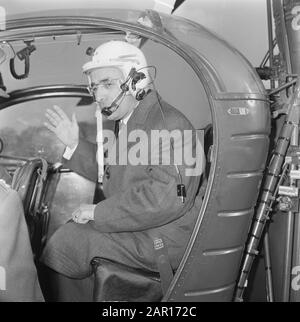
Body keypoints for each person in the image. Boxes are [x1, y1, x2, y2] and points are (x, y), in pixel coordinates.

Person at [41, 40, 205, 301]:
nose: (98, 96)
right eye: (94, 87)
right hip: (144, 226)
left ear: (136, 81)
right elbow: (111, 170)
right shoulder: (131, 121)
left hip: (164, 237)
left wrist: (98, 211)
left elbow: (168, 198)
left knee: (70, 241)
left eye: (107, 83)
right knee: (71, 232)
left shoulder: (169, 124)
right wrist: (73, 144)